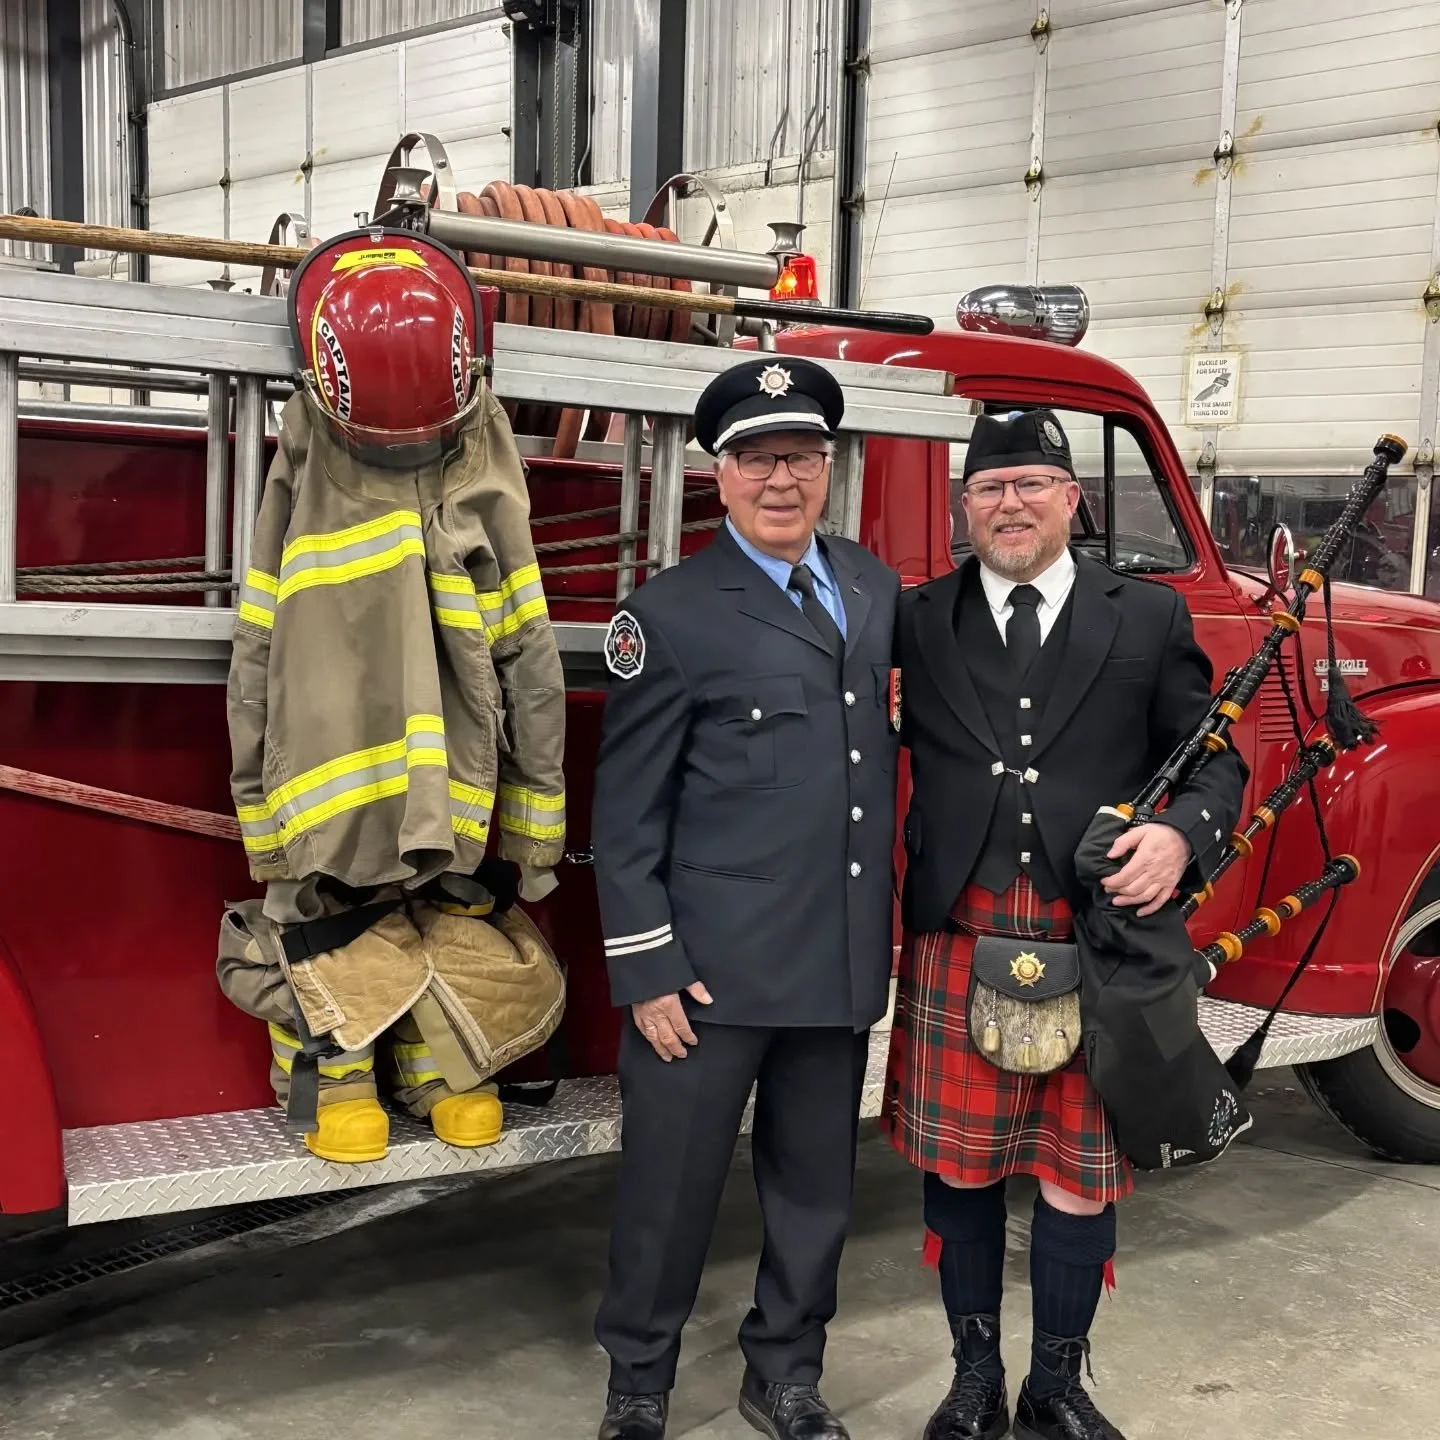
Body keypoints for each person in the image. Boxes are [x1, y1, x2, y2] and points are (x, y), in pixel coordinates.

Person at [882, 408, 1247, 1440]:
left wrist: (1181, 836)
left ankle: (1055, 1386)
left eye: (1032, 484)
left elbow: (1214, 758)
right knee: (958, 1167)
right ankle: (974, 1382)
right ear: (964, 507)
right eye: (990, 488)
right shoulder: (916, 617)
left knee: (1078, 1180)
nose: (1011, 505)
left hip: (1094, 933)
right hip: (963, 925)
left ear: (1072, 499)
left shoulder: (1148, 616)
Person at [589, 355, 902, 1440]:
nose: (783, 480)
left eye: (803, 457)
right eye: (758, 459)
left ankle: (787, 1374)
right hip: (706, 979)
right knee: (667, 1194)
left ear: (829, 468)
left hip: (834, 959)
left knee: (816, 1196)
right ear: (718, 475)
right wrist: (648, 969)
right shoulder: (669, 615)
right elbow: (627, 812)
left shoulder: (872, 589)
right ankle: (639, 1385)